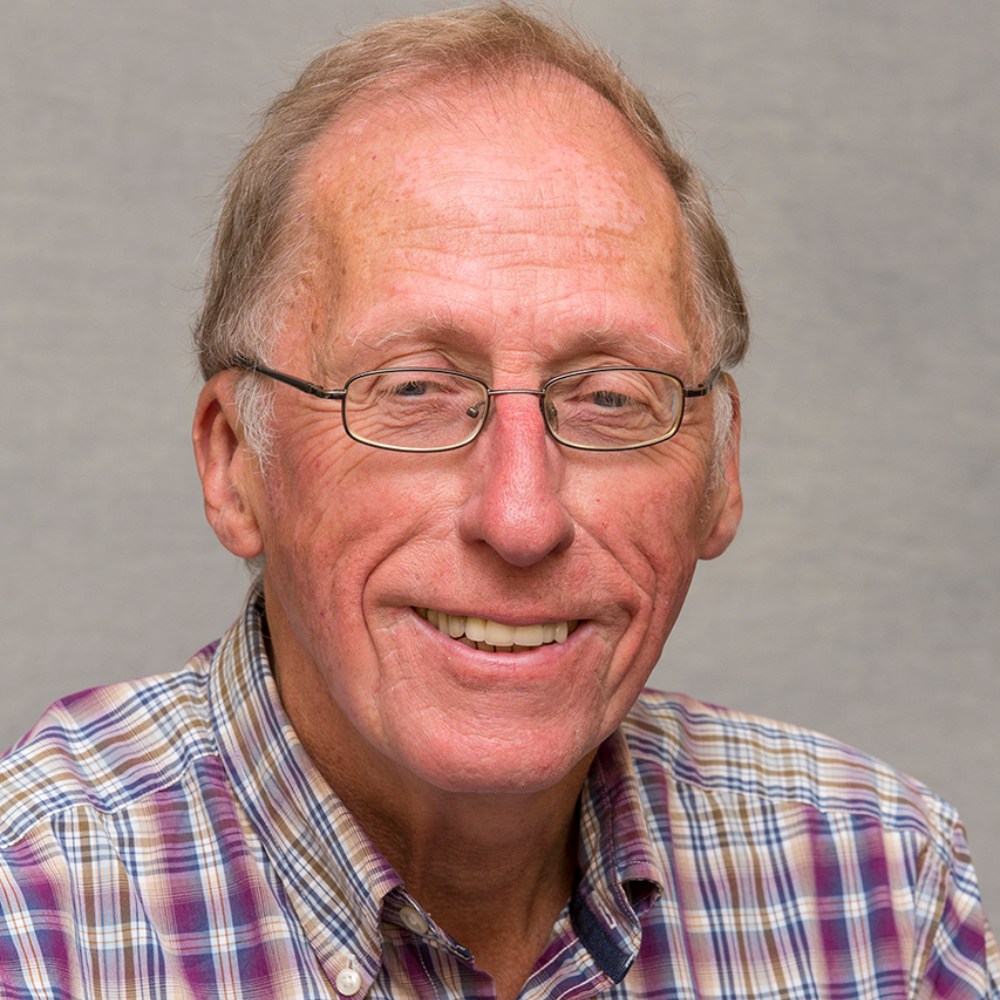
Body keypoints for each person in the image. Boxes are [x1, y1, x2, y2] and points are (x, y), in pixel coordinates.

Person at [0, 4, 996, 998]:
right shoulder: (37, 922)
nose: (521, 517)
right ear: (234, 465)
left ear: (719, 467)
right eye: (413, 392)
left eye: (610, 397)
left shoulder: (877, 895)